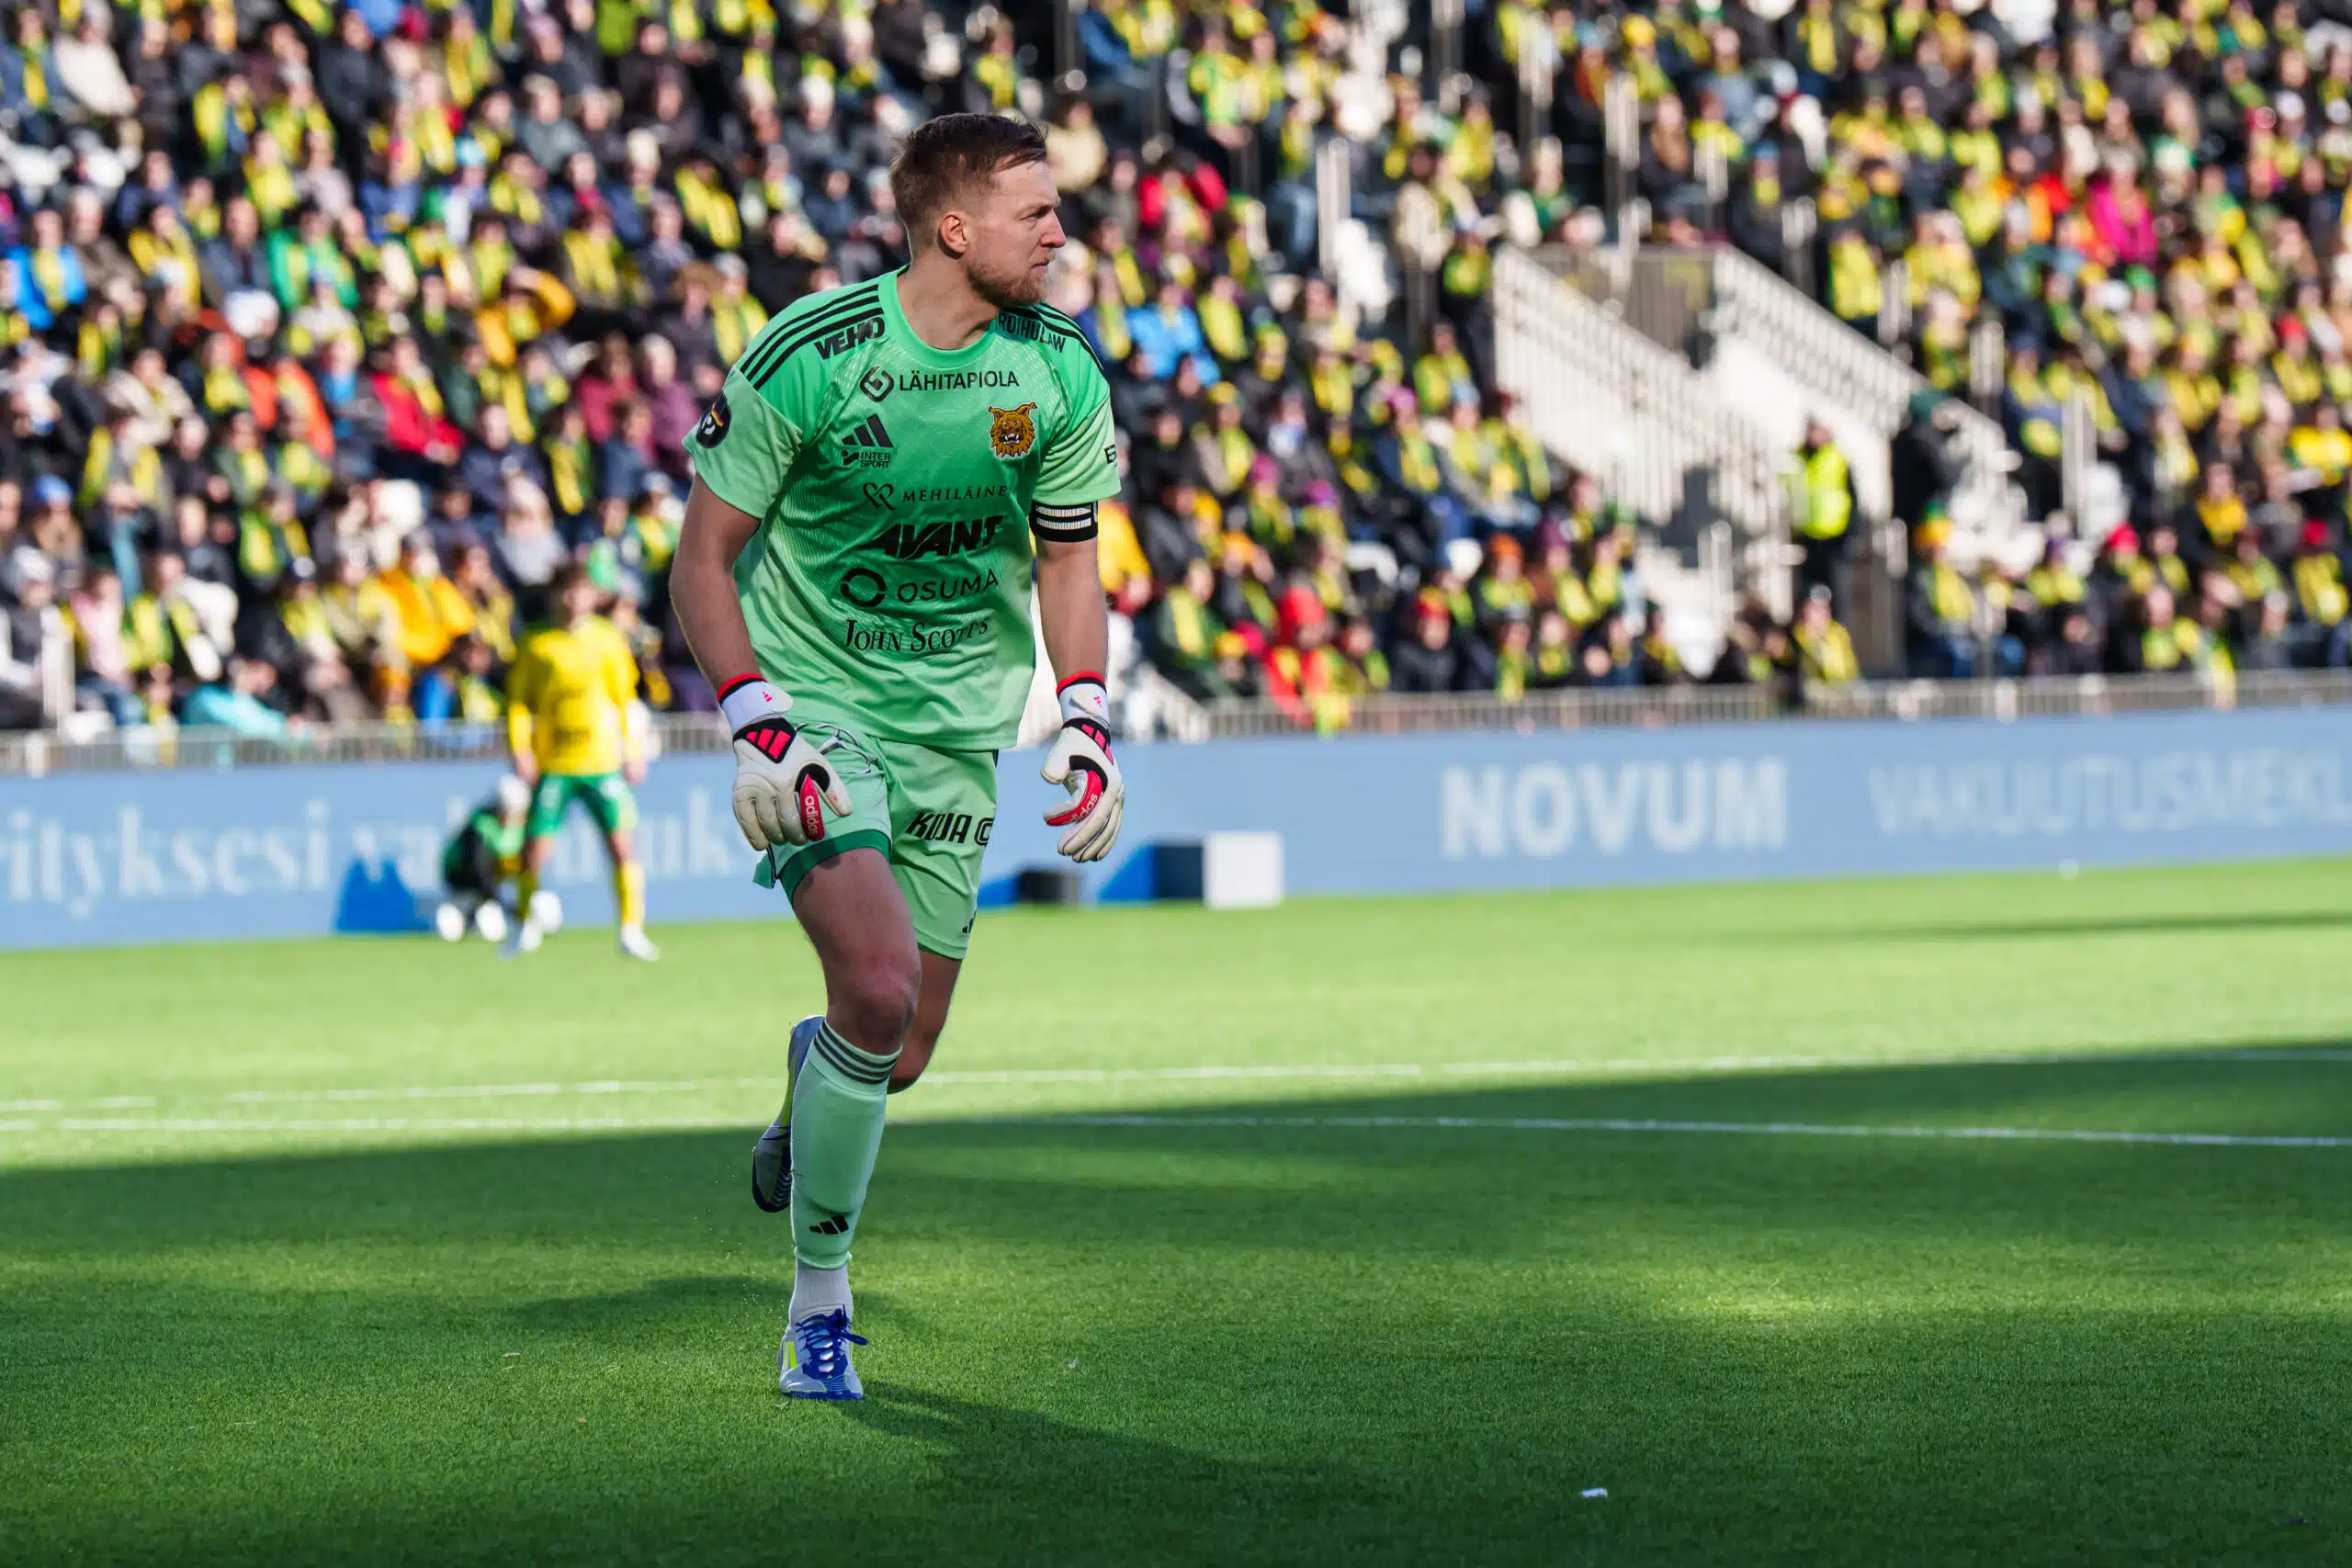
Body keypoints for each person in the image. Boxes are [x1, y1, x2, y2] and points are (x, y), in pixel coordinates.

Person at [670, 115, 1123, 1402]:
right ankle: (818, 1304)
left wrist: (1085, 715)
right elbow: (701, 560)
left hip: (956, 729)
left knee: (899, 1045)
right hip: (817, 709)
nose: (1060, 233)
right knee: (877, 988)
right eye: (1035, 213)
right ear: (953, 228)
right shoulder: (814, 353)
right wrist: (757, 719)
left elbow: (1069, 559)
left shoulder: (1058, 371)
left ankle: (813, 1077)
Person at [501, 562, 657, 962]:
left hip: (602, 761)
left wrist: (633, 750)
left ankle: (631, 929)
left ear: (592, 596)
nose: (572, 600)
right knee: (535, 848)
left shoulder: (608, 640)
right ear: (554, 596)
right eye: (565, 591)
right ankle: (523, 924)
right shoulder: (536, 643)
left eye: (580, 591)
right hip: (555, 761)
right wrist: (520, 749)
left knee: (622, 845)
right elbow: (519, 702)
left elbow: (624, 700)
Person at [435, 774, 530, 943]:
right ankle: (467, 916)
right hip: (465, 880)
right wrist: (502, 904)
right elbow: (479, 871)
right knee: (478, 922)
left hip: (496, 886)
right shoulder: (481, 826)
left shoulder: (525, 826)